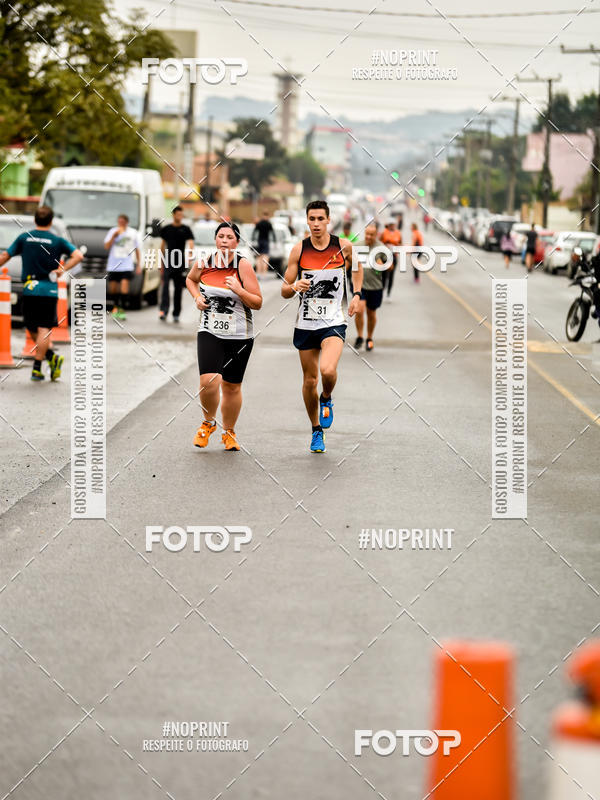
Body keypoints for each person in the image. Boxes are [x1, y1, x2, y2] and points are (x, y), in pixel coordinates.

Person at [281, 200, 363, 453]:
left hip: (333, 321)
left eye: (320, 219)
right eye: (312, 219)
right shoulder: (299, 251)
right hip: (306, 323)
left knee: (327, 372)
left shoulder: (343, 247)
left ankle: (326, 398)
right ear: (307, 221)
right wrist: (295, 287)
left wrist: (357, 294)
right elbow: (284, 290)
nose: (316, 224)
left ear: (329, 220)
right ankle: (316, 430)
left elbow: (358, 268)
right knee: (309, 380)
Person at [185, 221, 262, 452]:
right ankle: (208, 423)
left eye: (230, 237)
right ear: (216, 240)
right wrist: (197, 298)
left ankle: (229, 432)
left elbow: (257, 302)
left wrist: (239, 289)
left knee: (231, 387)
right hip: (210, 331)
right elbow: (190, 280)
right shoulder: (204, 262)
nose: (225, 241)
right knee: (208, 381)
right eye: (221, 236)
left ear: (237, 242)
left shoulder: (243, 266)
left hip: (240, 334)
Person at [0, 205, 83, 381]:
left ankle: (37, 368)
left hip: (30, 288)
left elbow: (5, 257)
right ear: (51, 221)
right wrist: (63, 268)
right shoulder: (57, 241)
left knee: (31, 327)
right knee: (44, 329)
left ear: (36, 219)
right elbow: (78, 256)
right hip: (50, 290)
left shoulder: (25, 238)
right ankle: (50, 358)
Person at [354, 224, 391, 351]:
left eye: (371, 235)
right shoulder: (357, 246)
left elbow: (391, 266)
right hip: (360, 286)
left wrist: (383, 265)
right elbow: (348, 261)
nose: (369, 237)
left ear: (376, 235)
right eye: (367, 234)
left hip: (375, 286)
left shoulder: (381, 248)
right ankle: (359, 336)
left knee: (371, 313)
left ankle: (369, 338)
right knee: (359, 310)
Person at [159, 206, 194, 323]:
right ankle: (163, 311)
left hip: (180, 262)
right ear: (173, 215)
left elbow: (191, 243)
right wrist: (160, 262)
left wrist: (189, 258)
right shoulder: (166, 229)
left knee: (178, 288)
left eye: (181, 215)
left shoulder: (186, 229)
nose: (180, 217)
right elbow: (162, 245)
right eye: (178, 215)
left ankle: (176, 313)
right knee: (165, 287)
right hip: (168, 260)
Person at [103, 214, 142, 320]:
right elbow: (106, 246)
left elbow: (137, 249)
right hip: (113, 265)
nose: (120, 223)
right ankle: (116, 307)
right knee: (113, 289)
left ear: (126, 222)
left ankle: (122, 309)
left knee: (124, 286)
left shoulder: (133, 233)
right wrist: (113, 237)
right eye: (119, 221)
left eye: (122, 222)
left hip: (126, 264)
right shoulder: (113, 231)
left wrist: (139, 264)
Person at [380, 220, 402, 297]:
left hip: (394, 256)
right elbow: (379, 243)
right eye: (391, 225)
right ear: (388, 225)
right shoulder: (384, 232)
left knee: (391, 276)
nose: (392, 226)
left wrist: (396, 246)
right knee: (384, 275)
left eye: (393, 225)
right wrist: (385, 245)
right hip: (385, 256)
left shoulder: (398, 233)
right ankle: (382, 291)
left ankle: (389, 293)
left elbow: (400, 244)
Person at [253, 211, 274, 276]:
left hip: (259, 241)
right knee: (265, 257)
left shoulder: (259, 223)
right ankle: (264, 272)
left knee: (259, 257)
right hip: (266, 241)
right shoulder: (269, 223)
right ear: (268, 216)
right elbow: (273, 233)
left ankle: (259, 271)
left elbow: (254, 232)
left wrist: (253, 239)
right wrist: (274, 241)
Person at [340, 220, 359, 293]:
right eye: (344, 231)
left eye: (346, 231)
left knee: (352, 277)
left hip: (351, 260)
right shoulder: (341, 236)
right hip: (343, 260)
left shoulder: (353, 237)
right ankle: (344, 291)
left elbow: (356, 248)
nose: (345, 232)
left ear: (349, 230)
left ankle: (353, 291)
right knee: (344, 278)